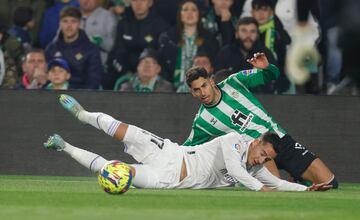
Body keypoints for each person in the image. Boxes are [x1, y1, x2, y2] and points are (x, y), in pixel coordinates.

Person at [43, 94, 331, 191]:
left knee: (115, 172)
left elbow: (278, 184)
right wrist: (260, 188)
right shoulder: (234, 142)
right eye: (263, 154)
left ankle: (64, 146)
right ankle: (83, 115)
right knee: (125, 131)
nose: (262, 161)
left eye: (266, 159)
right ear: (256, 142)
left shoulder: (254, 169)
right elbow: (239, 170)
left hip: (165, 180)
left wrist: (305, 190)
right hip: (170, 153)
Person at [184, 52, 338, 188]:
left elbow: (272, 75)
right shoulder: (202, 121)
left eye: (204, 85)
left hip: (279, 139)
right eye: (196, 90)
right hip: (256, 153)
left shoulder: (235, 81)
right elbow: (186, 149)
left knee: (330, 183)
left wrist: (267, 67)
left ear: (211, 81)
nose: (202, 92)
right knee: (275, 189)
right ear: (192, 92)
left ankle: (298, 177)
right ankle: (258, 181)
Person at [105, 0, 169, 89]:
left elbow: (162, 55)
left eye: (142, 1)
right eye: (135, 1)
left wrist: (149, 72)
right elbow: (118, 51)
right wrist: (126, 72)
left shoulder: (161, 25)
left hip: (152, 73)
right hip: (127, 73)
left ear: (150, 3)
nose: (138, 4)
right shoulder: (123, 23)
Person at [158, 0, 219, 92]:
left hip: (202, 88)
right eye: (185, 10)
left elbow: (214, 63)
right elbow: (162, 63)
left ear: (199, 15)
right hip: (172, 87)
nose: (189, 13)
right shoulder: (168, 37)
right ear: (180, 15)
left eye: (194, 10)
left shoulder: (210, 39)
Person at [214, 16, 277, 93]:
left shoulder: (265, 55)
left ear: (257, 35)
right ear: (236, 34)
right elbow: (218, 81)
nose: (248, 36)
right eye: (244, 31)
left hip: (259, 99)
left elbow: (273, 83)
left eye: (252, 31)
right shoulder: (225, 53)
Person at [45, 6, 102, 89]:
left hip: (81, 97)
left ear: (79, 24)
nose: (69, 26)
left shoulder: (91, 50)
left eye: (73, 21)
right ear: (59, 23)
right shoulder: (51, 49)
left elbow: (94, 82)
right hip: (54, 96)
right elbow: (46, 78)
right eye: (65, 21)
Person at [251, 0, 291, 93]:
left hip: (277, 79)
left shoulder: (277, 33)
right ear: (252, 12)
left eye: (264, 10)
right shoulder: (248, 34)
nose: (261, 14)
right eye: (257, 10)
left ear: (271, 12)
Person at [79, 0, 118, 64]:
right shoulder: (72, 16)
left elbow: (114, 45)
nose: (86, 1)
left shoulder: (108, 16)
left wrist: (101, 41)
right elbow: (58, 41)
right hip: (74, 64)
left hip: (99, 64)